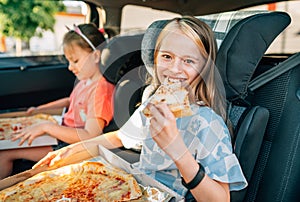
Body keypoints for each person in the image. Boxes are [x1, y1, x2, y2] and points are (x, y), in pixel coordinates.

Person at [34, 17, 247, 201]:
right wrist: (70, 151)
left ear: (204, 68)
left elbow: (220, 199)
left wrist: (178, 151)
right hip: (133, 188)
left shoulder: (207, 122)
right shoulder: (153, 104)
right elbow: (120, 137)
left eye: (188, 61)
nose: (174, 69)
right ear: (155, 59)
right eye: (167, 57)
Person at [0, 23, 115, 179]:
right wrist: (40, 110)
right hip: (60, 133)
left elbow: (89, 136)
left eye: (75, 60)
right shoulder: (85, 81)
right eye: (68, 61)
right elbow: (70, 101)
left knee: (5, 153)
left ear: (96, 56)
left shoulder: (101, 91)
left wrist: (47, 127)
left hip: (70, 146)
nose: (69, 67)